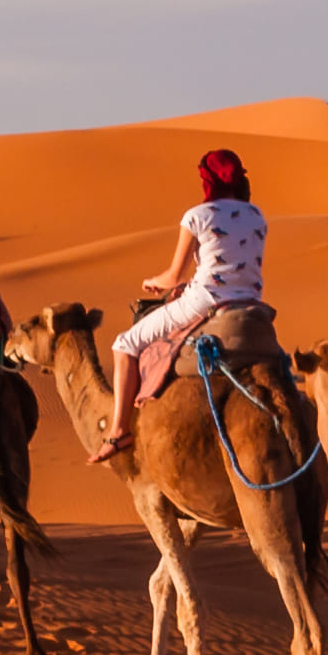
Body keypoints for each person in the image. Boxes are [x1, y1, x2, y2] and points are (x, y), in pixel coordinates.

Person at [93, 148, 267, 457]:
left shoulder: (198, 216)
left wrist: (154, 281)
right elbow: (232, 267)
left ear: (208, 180)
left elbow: (173, 276)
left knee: (124, 344)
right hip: (252, 303)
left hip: (205, 301)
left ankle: (119, 431)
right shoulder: (256, 216)